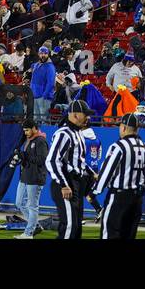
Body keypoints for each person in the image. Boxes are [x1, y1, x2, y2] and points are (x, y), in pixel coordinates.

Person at [94, 112, 145, 240]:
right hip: (137, 199)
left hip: (118, 197)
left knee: (109, 234)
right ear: (137, 129)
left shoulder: (118, 146)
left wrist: (94, 191)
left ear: (123, 127)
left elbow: (107, 172)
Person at [45, 99, 92, 239]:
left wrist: (91, 173)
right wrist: (63, 184)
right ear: (76, 115)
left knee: (76, 227)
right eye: (86, 114)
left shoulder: (78, 133)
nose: (88, 118)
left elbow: (78, 162)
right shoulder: (64, 133)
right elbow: (52, 160)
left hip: (75, 183)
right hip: (66, 183)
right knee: (69, 226)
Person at [11, 119, 49, 239]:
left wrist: (25, 156)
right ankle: (35, 225)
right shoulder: (30, 140)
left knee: (32, 206)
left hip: (36, 177)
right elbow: (28, 158)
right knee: (19, 203)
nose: (26, 133)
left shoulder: (41, 141)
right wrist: (21, 157)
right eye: (24, 130)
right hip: (26, 176)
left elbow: (41, 160)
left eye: (27, 130)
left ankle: (29, 233)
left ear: (34, 128)